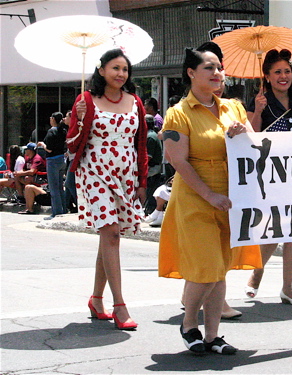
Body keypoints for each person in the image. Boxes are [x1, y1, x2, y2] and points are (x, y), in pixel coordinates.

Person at [158, 42, 261, 355]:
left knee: (220, 270)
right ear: (191, 73)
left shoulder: (234, 107)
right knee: (207, 267)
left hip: (231, 200)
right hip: (195, 200)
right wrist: (209, 194)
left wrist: (242, 134)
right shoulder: (178, 114)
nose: (218, 73)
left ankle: (214, 335)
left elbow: (255, 149)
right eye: (209, 68)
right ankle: (190, 323)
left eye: (220, 67)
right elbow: (178, 161)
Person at [66, 48, 148, 331]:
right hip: (95, 172)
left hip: (125, 173)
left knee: (109, 236)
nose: (120, 74)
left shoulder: (135, 101)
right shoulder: (86, 100)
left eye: (125, 69)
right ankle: (120, 305)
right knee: (111, 233)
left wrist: (142, 182)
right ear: (101, 70)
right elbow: (72, 144)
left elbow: (141, 145)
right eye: (115, 68)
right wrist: (76, 120)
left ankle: (96, 298)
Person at [245, 49, 292, 306]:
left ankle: (288, 287)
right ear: (267, 76)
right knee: (275, 229)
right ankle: (258, 272)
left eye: (287, 71)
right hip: (270, 173)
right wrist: (258, 111)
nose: (283, 76)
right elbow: (250, 137)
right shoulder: (259, 101)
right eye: (277, 72)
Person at [37, 112, 67, 219]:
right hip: (62, 159)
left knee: (54, 188)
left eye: (51, 117)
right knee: (60, 187)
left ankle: (57, 212)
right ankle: (64, 209)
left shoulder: (51, 131)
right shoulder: (63, 131)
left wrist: (42, 144)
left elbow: (49, 148)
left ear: (53, 119)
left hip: (52, 161)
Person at [144, 114, 164, 215]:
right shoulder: (152, 134)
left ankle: (150, 211)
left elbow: (148, 157)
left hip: (152, 169)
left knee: (150, 191)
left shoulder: (150, 137)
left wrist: (141, 170)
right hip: (153, 168)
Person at [63, 110, 78, 213]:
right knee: (68, 185)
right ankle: (66, 205)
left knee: (69, 183)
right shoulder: (69, 130)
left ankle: (79, 204)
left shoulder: (75, 129)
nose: (64, 119)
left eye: (66, 117)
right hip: (70, 159)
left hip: (75, 159)